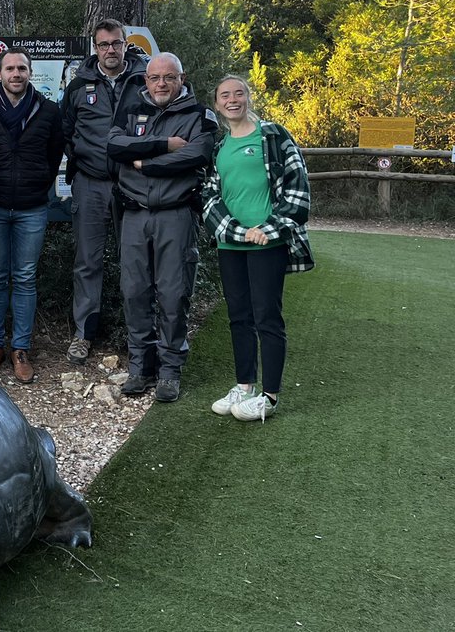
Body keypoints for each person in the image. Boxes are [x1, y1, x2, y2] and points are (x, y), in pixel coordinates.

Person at [107, 52, 217, 403]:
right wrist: (162, 147)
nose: (161, 84)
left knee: (173, 293)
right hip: (135, 215)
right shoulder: (131, 111)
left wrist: (145, 163)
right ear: (146, 80)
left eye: (169, 78)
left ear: (181, 79)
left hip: (176, 215)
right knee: (134, 291)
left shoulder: (199, 115)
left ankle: (170, 371)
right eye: (154, 78)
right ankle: (140, 367)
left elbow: (198, 154)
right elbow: (114, 145)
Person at [202, 75, 313, 422]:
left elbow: (298, 188)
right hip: (231, 243)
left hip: (269, 242)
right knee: (239, 317)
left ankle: (270, 396)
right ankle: (245, 386)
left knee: (267, 317)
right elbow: (209, 197)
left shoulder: (274, 135)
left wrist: (268, 228)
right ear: (217, 104)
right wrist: (235, 231)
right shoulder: (219, 147)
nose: (232, 100)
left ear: (249, 98)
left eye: (239, 93)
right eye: (225, 96)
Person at [0, 47, 63, 384]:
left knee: (24, 277)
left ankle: (20, 349)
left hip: (32, 207)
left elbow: (54, 156)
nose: (16, 74)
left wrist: (37, 182)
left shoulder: (49, 111)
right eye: (9, 68)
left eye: (22, 68)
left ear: (30, 72)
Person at [61, 19, 148, 365]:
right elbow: (66, 131)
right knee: (87, 262)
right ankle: (83, 334)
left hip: (134, 184)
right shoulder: (79, 85)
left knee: (136, 262)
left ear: (126, 44)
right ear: (94, 48)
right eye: (103, 45)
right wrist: (82, 160)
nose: (110, 50)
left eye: (116, 43)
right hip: (91, 184)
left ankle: (139, 334)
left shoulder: (145, 80)